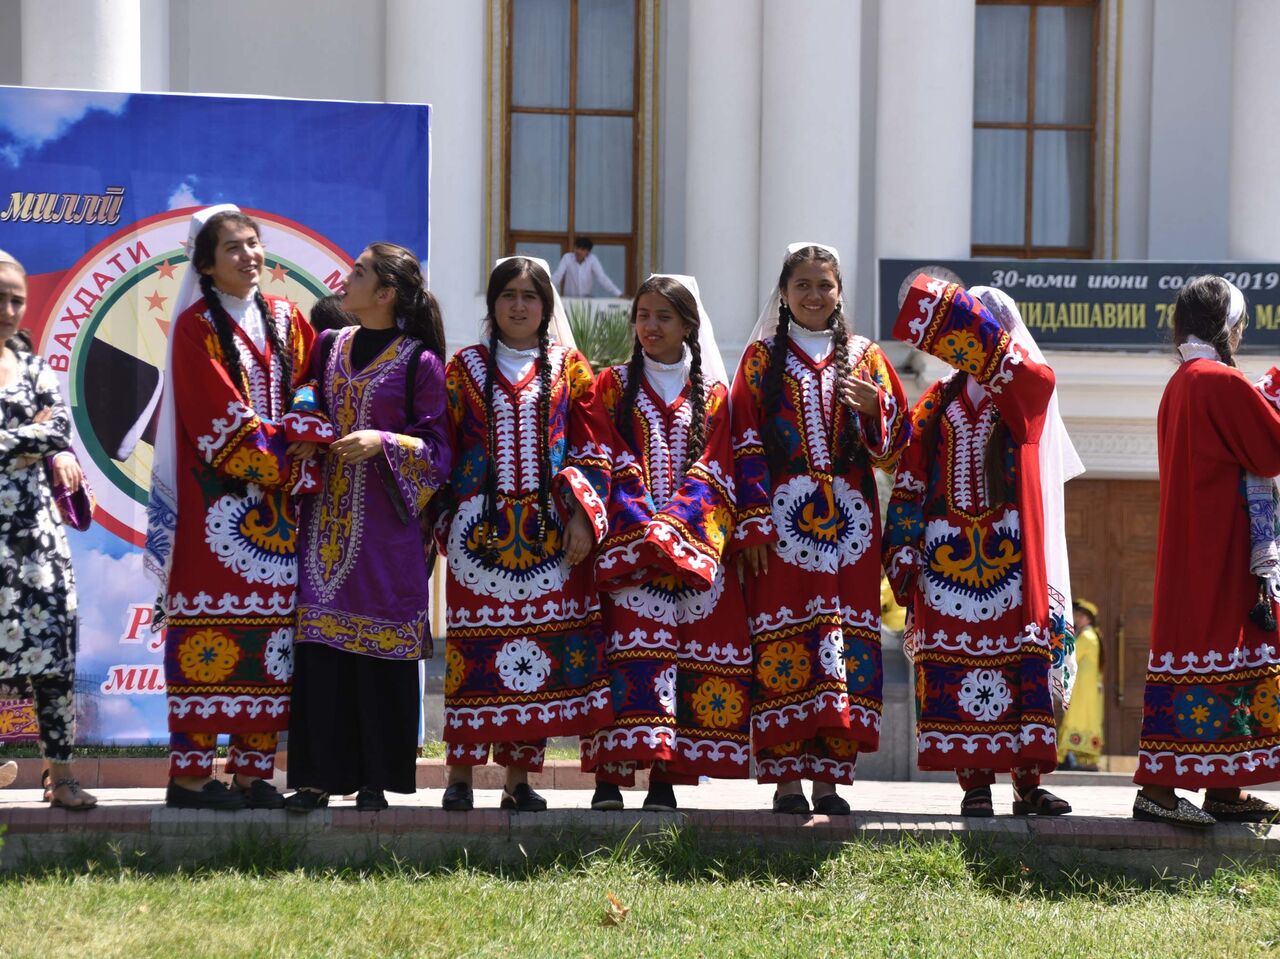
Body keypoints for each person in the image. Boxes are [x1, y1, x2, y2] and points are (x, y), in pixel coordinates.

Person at [144, 206, 332, 811]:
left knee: (272, 644)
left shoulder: (287, 317)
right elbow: (218, 424)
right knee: (211, 634)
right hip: (215, 518)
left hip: (282, 524)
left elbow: (310, 384)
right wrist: (292, 459)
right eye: (233, 248)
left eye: (254, 244)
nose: (249, 255)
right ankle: (192, 778)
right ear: (205, 263)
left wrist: (306, 425)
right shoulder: (195, 329)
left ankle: (252, 775)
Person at [884, 278, 1079, 818]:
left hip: (1013, 562)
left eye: (978, 330)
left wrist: (986, 339)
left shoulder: (1024, 390)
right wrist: (902, 548)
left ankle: (1027, 784)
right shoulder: (938, 399)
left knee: (1020, 666)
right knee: (952, 669)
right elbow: (911, 475)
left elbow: (1034, 383)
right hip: (944, 561)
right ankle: (974, 786)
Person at [730, 243, 909, 815]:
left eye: (824, 285)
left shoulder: (867, 357)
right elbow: (744, 441)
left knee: (841, 647)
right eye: (802, 284)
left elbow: (896, 448)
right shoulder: (760, 360)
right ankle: (786, 779)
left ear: (840, 293)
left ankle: (830, 779)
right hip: (780, 532)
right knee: (786, 642)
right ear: (783, 293)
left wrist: (873, 409)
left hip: (850, 532)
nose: (814, 295)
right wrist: (754, 522)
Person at [435, 255, 615, 812]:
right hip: (478, 538)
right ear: (492, 304)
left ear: (546, 306)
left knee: (533, 659)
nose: (519, 305)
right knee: (472, 654)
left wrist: (585, 515)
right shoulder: (463, 368)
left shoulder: (571, 368)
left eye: (530, 296)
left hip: (547, 538)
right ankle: (460, 777)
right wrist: (445, 518)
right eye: (508, 295)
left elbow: (593, 446)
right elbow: (444, 445)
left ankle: (518, 779)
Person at [285, 244, 451, 813]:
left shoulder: (419, 363)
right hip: (324, 524)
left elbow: (438, 449)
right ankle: (312, 779)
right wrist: (306, 420)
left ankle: (374, 780)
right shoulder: (329, 344)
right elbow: (305, 389)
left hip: (385, 534)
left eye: (358, 273)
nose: (345, 279)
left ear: (385, 294)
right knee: (320, 649)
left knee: (376, 655)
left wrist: (382, 441)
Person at [583, 274, 750, 811]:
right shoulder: (610, 384)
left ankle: (664, 779)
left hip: (695, 553)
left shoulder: (715, 395)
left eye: (663, 317)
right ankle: (608, 779)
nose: (650, 326)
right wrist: (646, 526)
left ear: (688, 326)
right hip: (628, 550)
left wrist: (679, 529)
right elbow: (604, 454)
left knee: (685, 661)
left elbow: (720, 464)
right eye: (643, 315)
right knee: (624, 655)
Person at [1132, 275, 1280, 828]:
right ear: (1228, 327)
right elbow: (1271, 449)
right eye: (1240, 326)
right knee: (1220, 649)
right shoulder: (1219, 382)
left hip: (1201, 544)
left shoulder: (1183, 381)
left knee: (1221, 653)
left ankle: (1223, 789)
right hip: (1219, 547)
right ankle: (1157, 790)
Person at [0, 250, 96, 809]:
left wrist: (41, 440)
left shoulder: (37, 368)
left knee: (55, 657)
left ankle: (60, 777)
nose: (9, 309)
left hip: (39, 539)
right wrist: (31, 440)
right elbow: (41, 434)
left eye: (16, 299)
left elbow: (58, 425)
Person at [1058, 598, 1104, 770]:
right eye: (1077, 615)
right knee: (1083, 718)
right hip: (1084, 688)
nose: (1077, 619)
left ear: (1089, 619)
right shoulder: (1089, 635)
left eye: (1081, 616)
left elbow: (1070, 655)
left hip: (1083, 689)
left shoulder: (1087, 636)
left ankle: (1070, 756)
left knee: (1077, 717)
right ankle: (1080, 757)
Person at [551, 238, 622, 298]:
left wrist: (618, 294)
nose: (578, 251)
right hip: (569, 299)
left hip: (587, 300)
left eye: (582, 249)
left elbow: (602, 278)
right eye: (577, 248)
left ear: (588, 252)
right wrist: (546, 291)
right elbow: (558, 275)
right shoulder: (567, 258)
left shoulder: (592, 260)